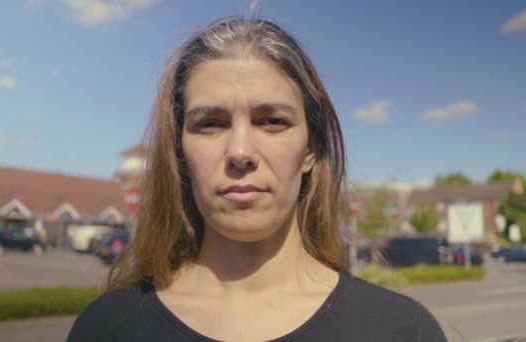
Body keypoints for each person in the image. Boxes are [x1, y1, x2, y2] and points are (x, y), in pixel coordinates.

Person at [68, 17, 446, 342]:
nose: (240, 152)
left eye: (272, 122)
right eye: (210, 124)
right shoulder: (108, 328)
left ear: (311, 149)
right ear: (180, 152)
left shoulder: (401, 330)